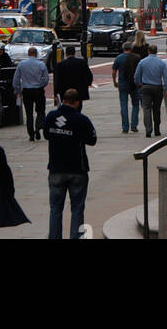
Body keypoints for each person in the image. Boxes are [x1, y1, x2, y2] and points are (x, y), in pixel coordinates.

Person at [43, 88, 97, 240]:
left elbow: (46, 134)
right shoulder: (81, 119)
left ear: (64, 100)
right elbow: (92, 140)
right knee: (77, 208)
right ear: (77, 102)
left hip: (56, 168)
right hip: (77, 169)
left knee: (55, 208)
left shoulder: (51, 116)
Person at [11, 46, 49, 141]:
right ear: (36, 54)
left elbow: (16, 80)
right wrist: (41, 85)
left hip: (27, 91)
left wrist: (18, 91)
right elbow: (46, 79)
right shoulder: (41, 64)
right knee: (40, 111)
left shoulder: (21, 64)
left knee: (29, 113)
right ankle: (38, 127)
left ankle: (31, 134)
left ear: (28, 54)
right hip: (38, 90)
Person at [133, 44, 167, 138]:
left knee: (146, 108)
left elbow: (136, 76)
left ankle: (148, 130)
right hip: (158, 87)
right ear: (156, 51)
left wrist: (139, 84)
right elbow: (166, 77)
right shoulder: (161, 63)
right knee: (156, 109)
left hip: (146, 87)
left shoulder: (142, 62)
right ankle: (157, 129)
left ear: (148, 51)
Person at [111, 40, 140, 134]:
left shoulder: (119, 58)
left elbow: (114, 71)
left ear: (123, 48)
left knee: (123, 105)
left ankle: (125, 127)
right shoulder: (136, 57)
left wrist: (114, 81)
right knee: (135, 105)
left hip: (123, 83)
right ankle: (134, 125)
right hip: (134, 84)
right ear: (131, 48)